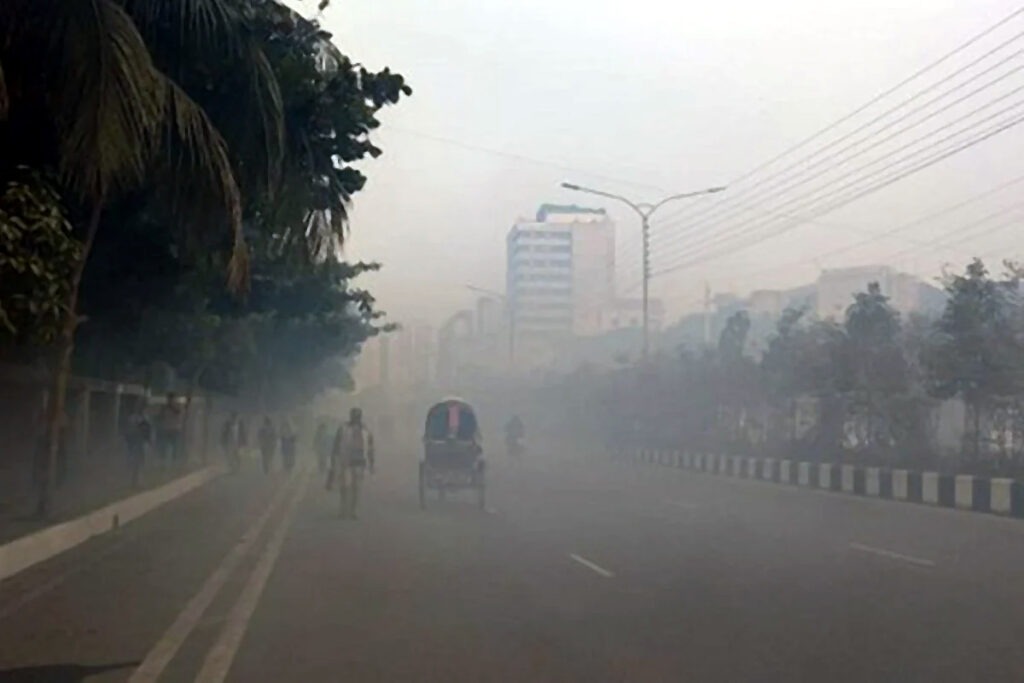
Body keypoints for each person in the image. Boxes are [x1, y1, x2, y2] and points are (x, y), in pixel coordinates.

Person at [330, 407, 374, 519]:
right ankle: (343, 509)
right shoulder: (343, 429)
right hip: (345, 462)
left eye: (357, 416)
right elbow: (336, 445)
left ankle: (354, 511)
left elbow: (370, 448)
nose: (356, 419)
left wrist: (371, 463)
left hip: (360, 462)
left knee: (356, 488)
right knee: (345, 486)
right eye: (354, 416)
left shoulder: (365, 430)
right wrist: (334, 461)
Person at [124, 403, 153, 487]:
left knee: (136, 461)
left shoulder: (133, 418)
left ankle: (135, 481)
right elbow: (146, 430)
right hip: (137, 442)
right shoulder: (142, 419)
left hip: (135, 442)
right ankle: (135, 481)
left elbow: (147, 430)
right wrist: (148, 440)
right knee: (137, 462)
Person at [156, 392, 184, 465]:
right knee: (164, 445)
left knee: (175, 446)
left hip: (175, 428)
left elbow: (178, 412)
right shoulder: (164, 407)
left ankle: (175, 461)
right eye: (168, 399)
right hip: (166, 428)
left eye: (171, 399)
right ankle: (163, 460)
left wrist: (171, 406)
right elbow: (160, 416)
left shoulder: (177, 405)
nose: (169, 400)